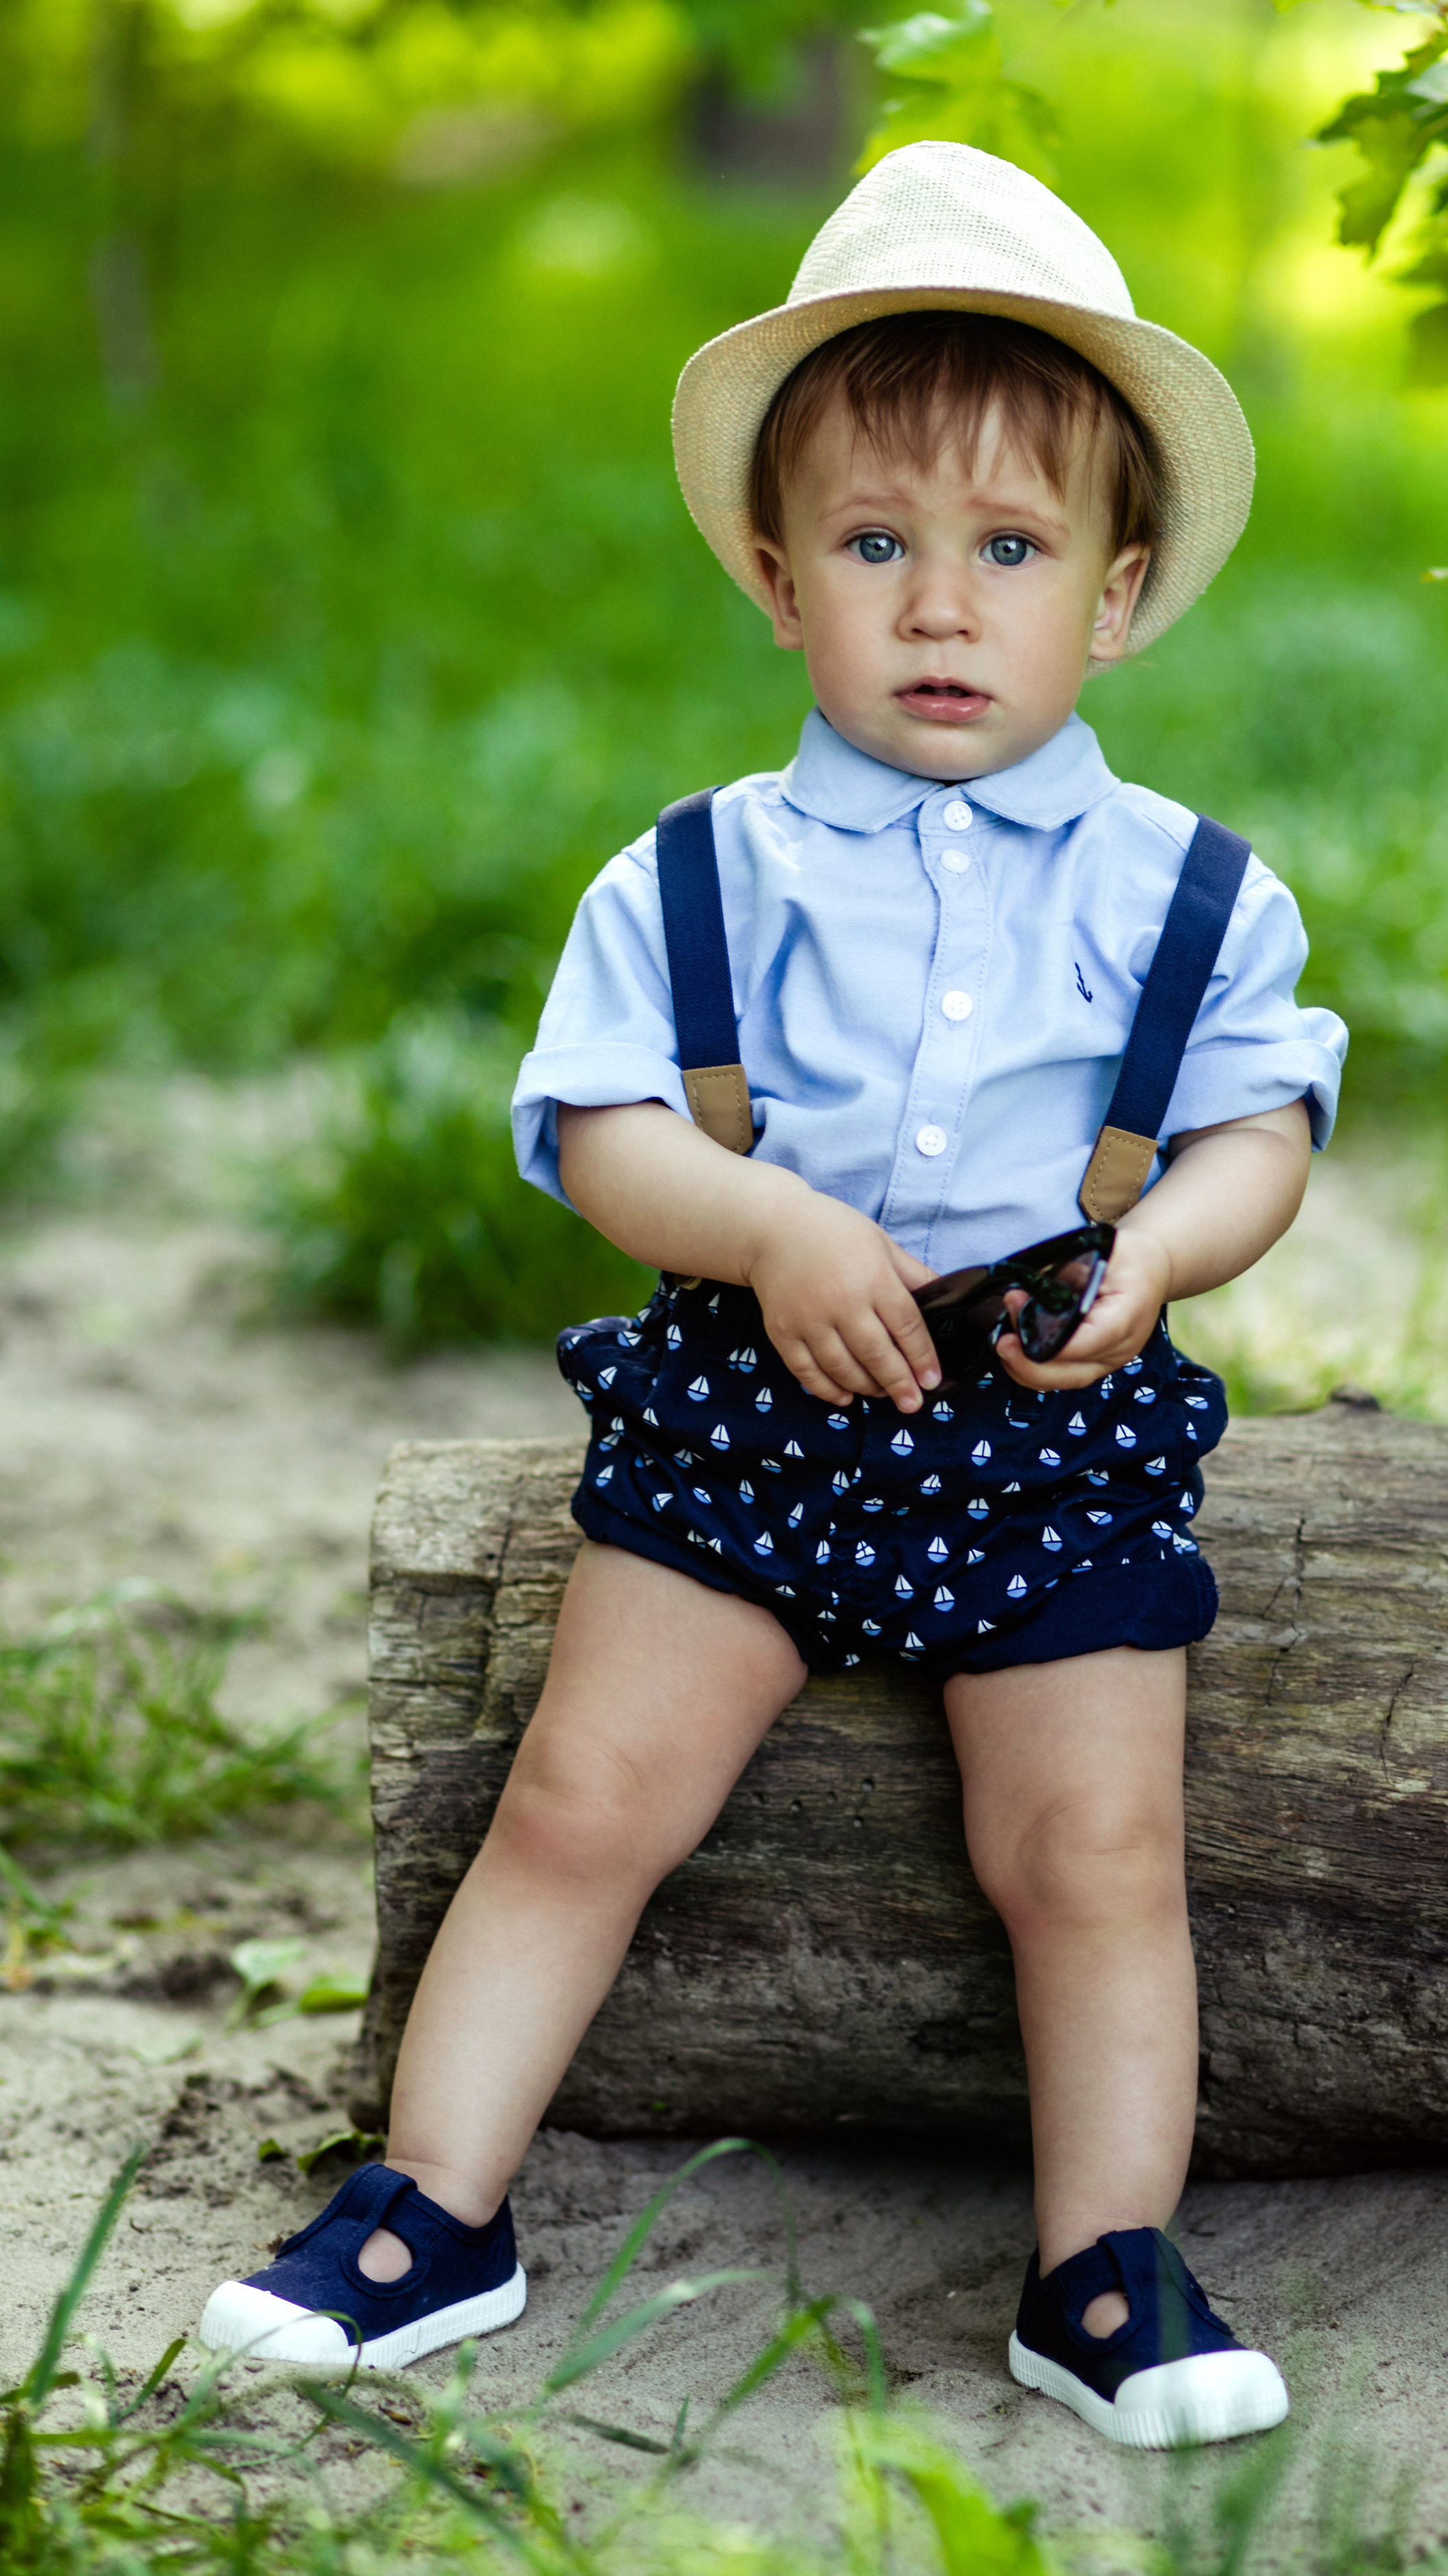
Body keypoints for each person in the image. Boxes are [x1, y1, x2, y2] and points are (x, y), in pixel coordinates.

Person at [201, 142, 1345, 2451]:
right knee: (584, 1793)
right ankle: (433, 2203)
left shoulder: (1187, 891)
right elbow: (602, 1125)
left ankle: (1104, 2267)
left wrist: (1168, 1253)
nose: (944, 607)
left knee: (1093, 1851)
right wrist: (767, 1225)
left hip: (1048, 1392)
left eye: (1010, 553)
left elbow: (1259, 1133)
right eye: (878, 546)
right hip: (757, 1394)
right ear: (774, 572)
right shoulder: (695, 873)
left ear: (1116, 596)